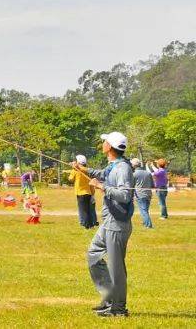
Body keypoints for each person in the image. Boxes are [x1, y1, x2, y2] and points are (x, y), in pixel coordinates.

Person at [76, 131, 135, 318]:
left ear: (109, 147)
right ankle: (109, 298)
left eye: (104, 142)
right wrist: (83, 170)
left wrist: (102, 187)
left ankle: (118, 309)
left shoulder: (123, 168)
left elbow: (125, 195)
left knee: (116, 268)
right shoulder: (115, 165)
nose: (102, 144)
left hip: (117, 224)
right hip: (109, 222)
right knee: (93, 254)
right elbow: (103, 174)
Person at [68, 154, 98, 229]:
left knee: (83, 210)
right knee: (88, 209)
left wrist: (72, 170)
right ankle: (91, 224)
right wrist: (93, 193)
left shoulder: (75, 170)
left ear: (78, 162)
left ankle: (86, 225)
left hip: (80, 193)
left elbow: (70, 179)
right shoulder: (87, 170)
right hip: (88, 192)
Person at [130, 158, 153, 229]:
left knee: (143, 211)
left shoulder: (134, 174)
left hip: (140, 195)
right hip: (148, 194)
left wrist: (131, 196)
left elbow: (132, 186)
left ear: (133, 165)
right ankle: (145, 222)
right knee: (145, 210)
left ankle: (148, 225)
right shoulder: (148, 173)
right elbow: (152, 184)